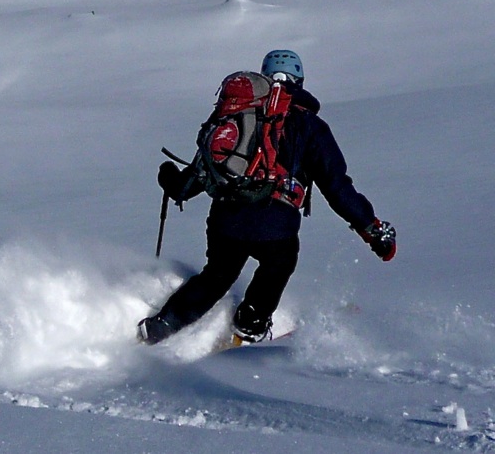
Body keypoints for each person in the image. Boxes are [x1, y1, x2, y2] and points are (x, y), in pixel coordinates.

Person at [138, 50, 396, 345]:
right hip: (276, 224)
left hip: (225, 219)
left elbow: (200, 173)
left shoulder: (238, 115)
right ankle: (250, 325)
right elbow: (337, 187)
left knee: (217, 276)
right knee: (279, 263)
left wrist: (171, 181)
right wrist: (372, 229)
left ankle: (160, 327)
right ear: (299, 80)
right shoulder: (311, 126)